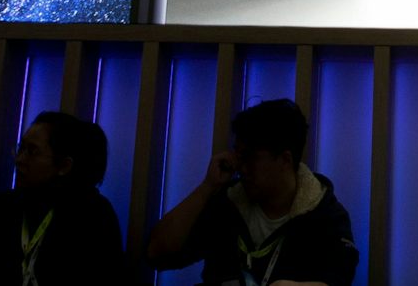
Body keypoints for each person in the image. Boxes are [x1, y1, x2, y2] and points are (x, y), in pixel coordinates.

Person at [146, 98, 357, 286]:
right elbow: (157, 252)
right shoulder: (228, 203)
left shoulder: (325, 216)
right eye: (238, 155)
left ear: (285, 160)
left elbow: (340, 277)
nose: (241, 167)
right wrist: (207, 187)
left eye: (250, 157)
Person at [0, 110, 127, 285]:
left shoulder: (93, 215)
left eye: (32, 151)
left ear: (64, 166)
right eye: (21, 149)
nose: (19, 160)